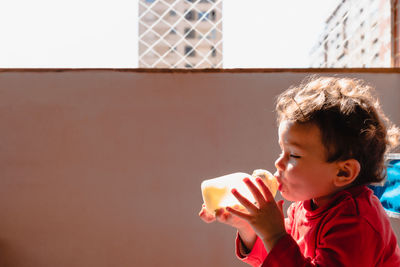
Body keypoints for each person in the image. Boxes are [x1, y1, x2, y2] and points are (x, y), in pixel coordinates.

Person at [199, 76, 400, 266]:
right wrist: (248, 228)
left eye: (293, 155)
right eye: (281, 151)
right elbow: (278, 256)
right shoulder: (303, 206)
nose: (278, 162)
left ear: (343, 173)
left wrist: (274, 235)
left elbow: (282, 250)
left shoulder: (357, 222)